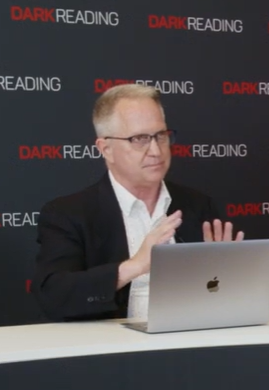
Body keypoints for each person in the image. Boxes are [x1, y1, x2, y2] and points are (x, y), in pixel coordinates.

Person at [33, 84, 241, 321]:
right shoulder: (69, 214)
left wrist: (224, 274)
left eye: (160, 136)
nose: (156, 150)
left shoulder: (198, 206)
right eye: (140, 139)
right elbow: (53, 295)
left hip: (191, 343)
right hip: (114, 352)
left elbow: (223, 299)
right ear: (106, 149)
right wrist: (136, 266)